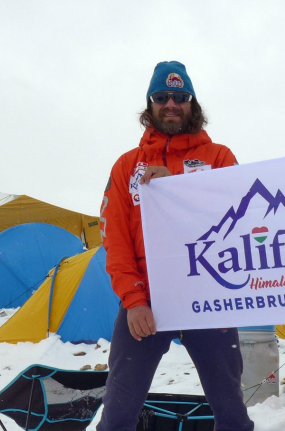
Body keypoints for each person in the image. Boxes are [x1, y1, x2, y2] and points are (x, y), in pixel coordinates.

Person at [97, 61, 254, 431]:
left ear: (192, 104)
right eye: (162, 96)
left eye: (180, 97)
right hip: (146, 303)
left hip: (208, 301)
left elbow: (237, 223)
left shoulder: (220, 158)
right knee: (117, 414)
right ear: (150, 104)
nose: (171, 104)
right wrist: (134, 300)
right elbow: (114, 239)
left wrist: (176, 188)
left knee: (231, 412)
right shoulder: (126, 166)